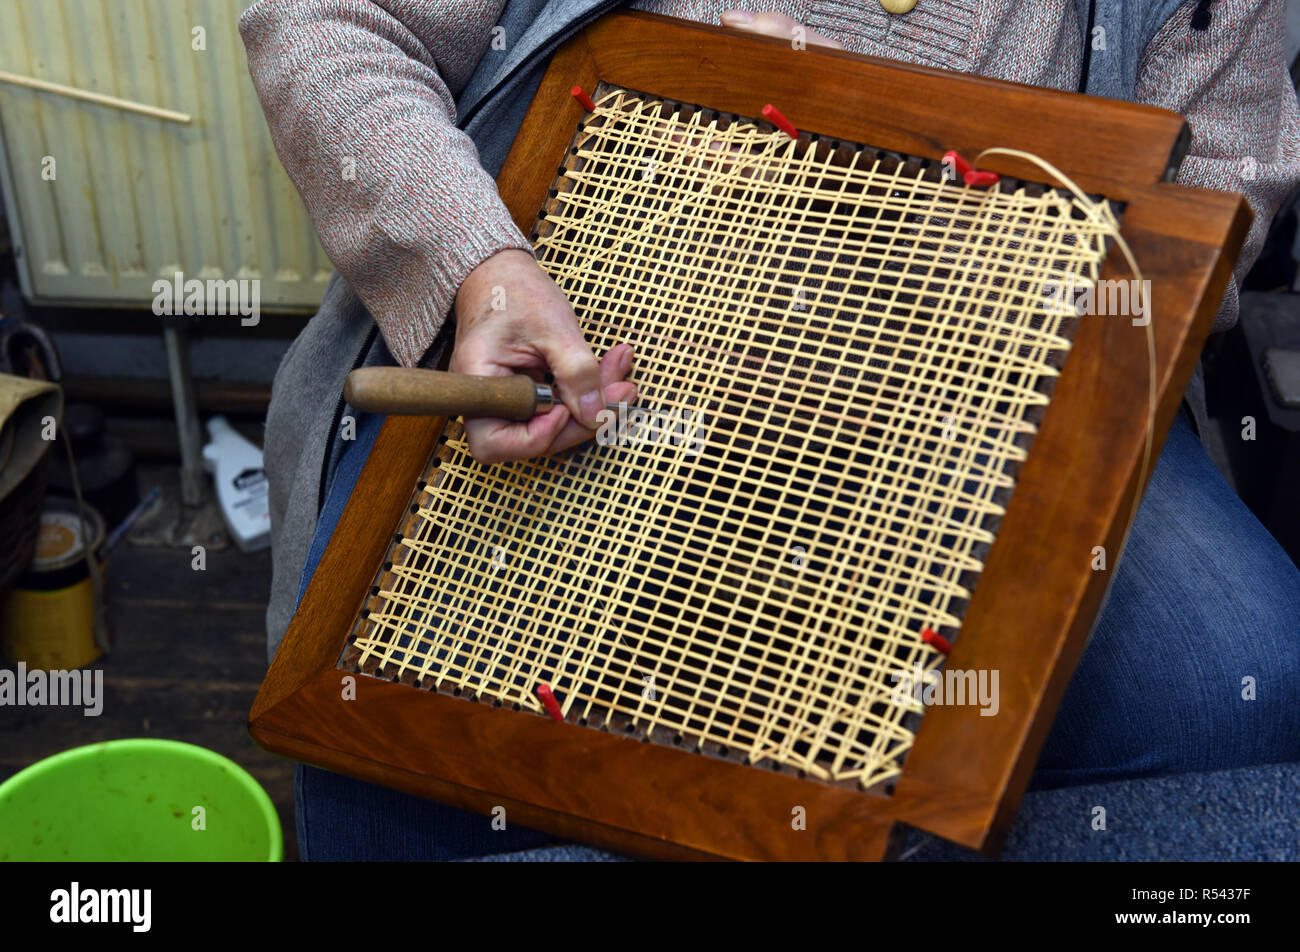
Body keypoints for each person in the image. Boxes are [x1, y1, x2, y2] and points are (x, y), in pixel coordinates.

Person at [239, 0, 1300, 860]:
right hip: (583, 336)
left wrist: (888, 188)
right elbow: (331, 25)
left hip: (994, 357)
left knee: (1239, 686)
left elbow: (1205, 206)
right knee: (391, 733)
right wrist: (479, 263)